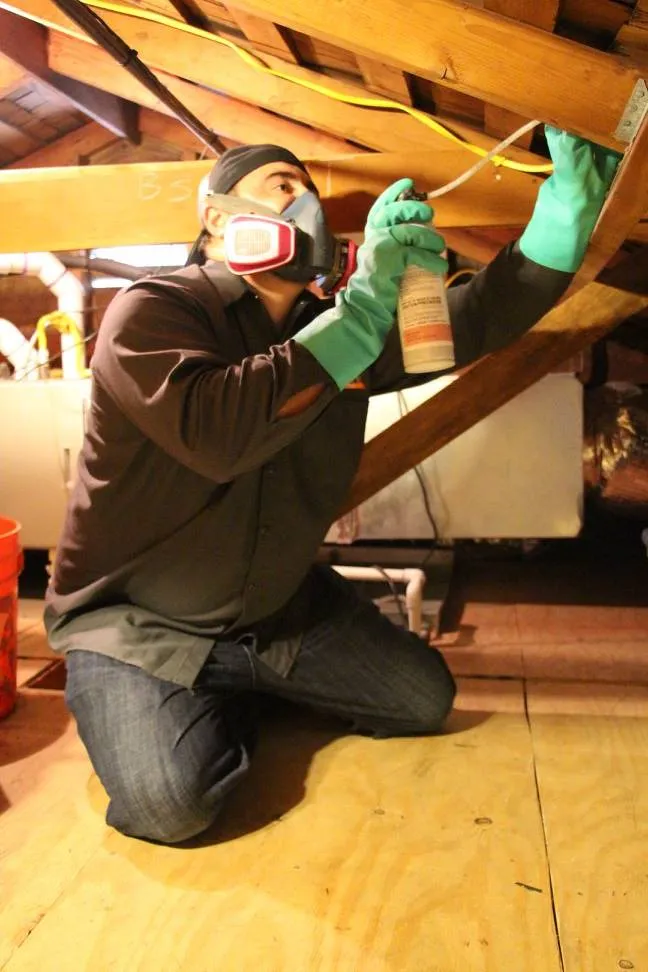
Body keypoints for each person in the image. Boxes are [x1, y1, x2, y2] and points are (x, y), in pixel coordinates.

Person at [45, 130, 619, 844]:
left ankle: (234, 688)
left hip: (276, 614)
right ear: (217, 217)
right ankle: (197, 699)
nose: (305, 202)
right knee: (171, 805)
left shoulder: (341, 330)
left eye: (309, 190)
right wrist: (362, 312)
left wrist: (563, 218)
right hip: (140, 628)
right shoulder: (156, 310)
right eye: (283, 186)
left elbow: (472, 320)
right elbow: (221, 433)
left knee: (421, 699)